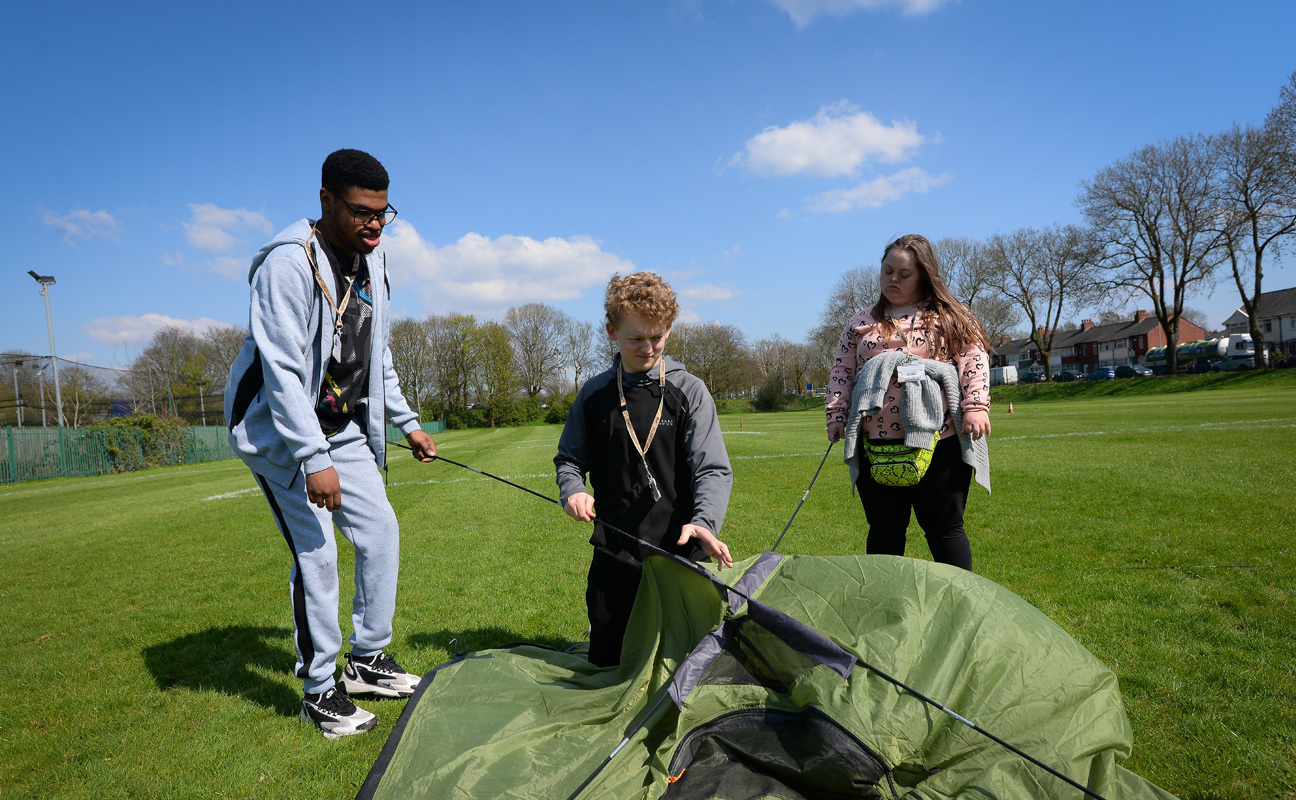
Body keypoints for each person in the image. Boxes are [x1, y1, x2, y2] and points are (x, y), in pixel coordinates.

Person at [224, 149, 437, 738]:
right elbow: (282, 372)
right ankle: (319, 691)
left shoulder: (373, 259)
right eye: (360, 212)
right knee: (317, 555)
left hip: (338, 426)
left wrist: (407, 422)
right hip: (278, 430)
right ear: (325, 201)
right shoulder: (287, 266)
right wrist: (312, 459)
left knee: (381, 532)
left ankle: (367, 660)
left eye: (382, 213)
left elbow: (376, 351)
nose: (373, 224)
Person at [555, 272, 735, 668]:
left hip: (678, 556)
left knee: (681, 671)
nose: (649, 348)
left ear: (669, 329)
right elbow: (569, 459)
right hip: (613, 555)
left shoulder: (690, 391)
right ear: (611, 332)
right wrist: (573, 490)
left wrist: (705, 521)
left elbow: (713, 469)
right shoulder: (594, 395)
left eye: (657, 336)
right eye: (636, 338)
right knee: (608, 665)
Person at [825, 234, 991, 571]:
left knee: (944, 530)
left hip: (939, 441)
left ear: (925, 275)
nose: (893, 279)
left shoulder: (951, 316)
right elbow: (843, 370)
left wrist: (975, 406)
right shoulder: (860, 323)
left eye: (904, 273)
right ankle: (883, 607)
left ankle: (960, 605)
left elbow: (973, 359)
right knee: (885, 530)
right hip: (877, 445)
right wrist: (836, 414)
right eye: (887, 271)